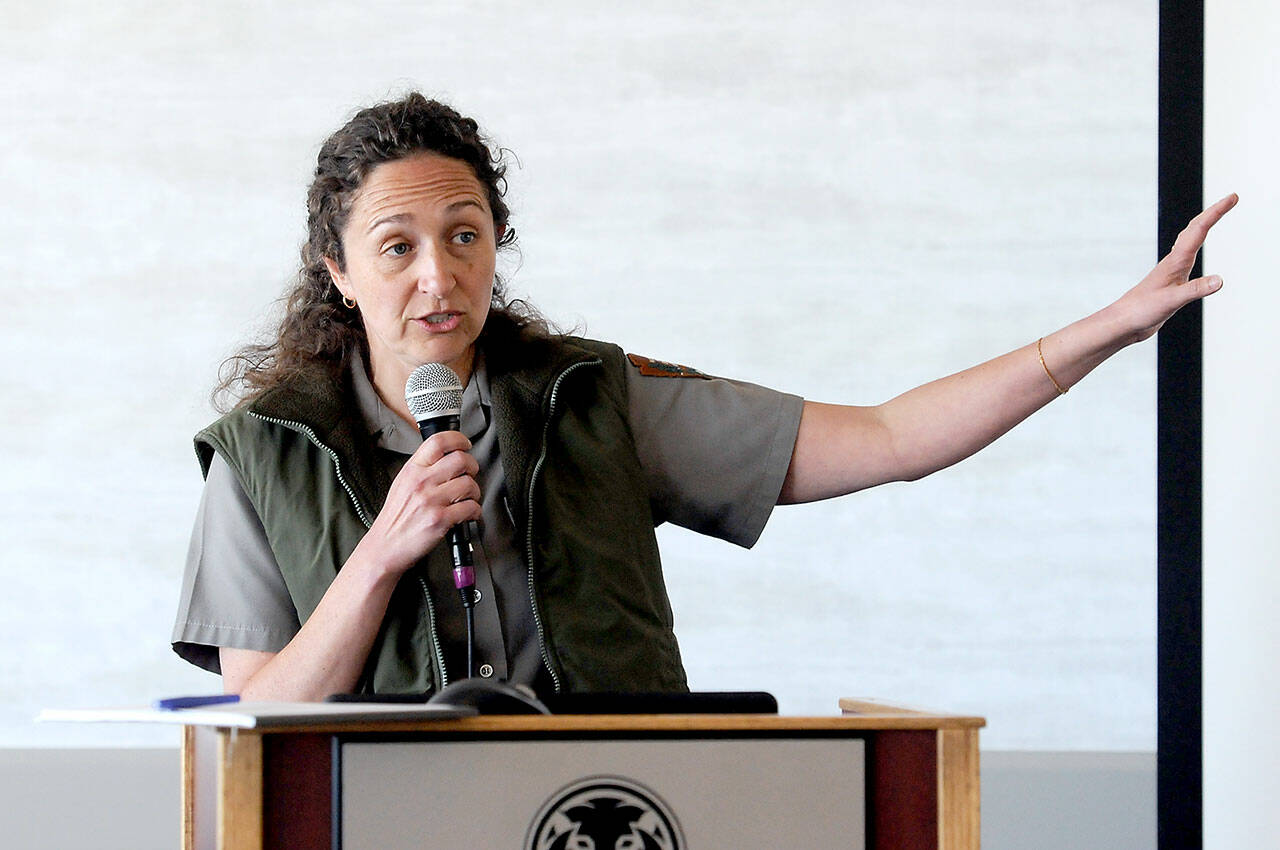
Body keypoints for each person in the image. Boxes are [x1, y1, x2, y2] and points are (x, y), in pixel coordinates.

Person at [171, 92, 1236, 702]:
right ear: (337, 268)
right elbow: (257, 716)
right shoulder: (263, 450)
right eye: (395, 246)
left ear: (498, 244)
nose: (437, 276)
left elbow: (891, 436)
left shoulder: (596, 399)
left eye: (465, 235)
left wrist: (1105, 329)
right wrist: (381, 551)